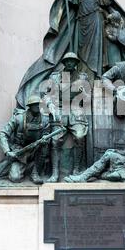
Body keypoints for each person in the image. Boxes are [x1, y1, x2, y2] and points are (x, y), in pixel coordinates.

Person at [42, 52, 90, 182]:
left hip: (76, 110)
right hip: (59, 109)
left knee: (80, 136)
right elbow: (46, 95)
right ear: (64, 63)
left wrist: (83, 93)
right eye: (67, 61)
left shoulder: (82, 77)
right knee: (55, 140)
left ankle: (76, 169)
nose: (70, 63)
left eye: (72, 61)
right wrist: (50, 104)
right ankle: (55, 173)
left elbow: (88, 99)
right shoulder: (55, 77)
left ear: (75, 63)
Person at [0, 96, 50, 184]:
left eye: (38, 105)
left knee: (44, 145)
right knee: (15, 178)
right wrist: (7, 151)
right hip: (20, 151)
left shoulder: (44, 120)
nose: (37, 107)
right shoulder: (19, 118)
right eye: (35, 105)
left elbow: (46, 132)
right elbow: (3, 133)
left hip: (36, 150)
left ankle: (35, 172)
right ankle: (25, 167)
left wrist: (45, 137)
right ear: (30, 106)